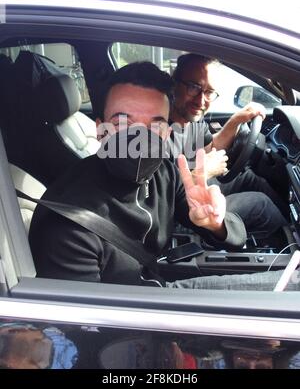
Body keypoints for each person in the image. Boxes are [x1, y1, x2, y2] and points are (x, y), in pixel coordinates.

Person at [29, 62, 297, 291]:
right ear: (101, 130)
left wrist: (215, 222)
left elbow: (226, 233)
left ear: (167, 133)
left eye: (155, 125)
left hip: (154, 280)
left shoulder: (164, 172)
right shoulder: (69, 227)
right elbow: (83, 329)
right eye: (123, 122)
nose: (140, 137)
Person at [169, 53, 288, 227]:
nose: (201, 100)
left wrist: (236, 120)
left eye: (209, 92)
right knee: (261, 204)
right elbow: (161, 192)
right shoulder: (157, 128)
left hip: (196, 185)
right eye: (194, 87)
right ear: (174, 83)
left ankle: (291, 221)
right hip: (181, 209)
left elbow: (211, 148)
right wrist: (203, 171)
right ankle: (290, 240)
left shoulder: (191, 118)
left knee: (250, 178)